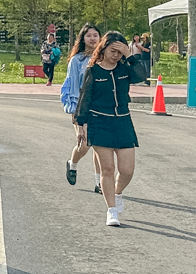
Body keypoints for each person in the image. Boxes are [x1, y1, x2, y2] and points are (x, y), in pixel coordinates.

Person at [74, 31, 153, 227]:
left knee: (127, 170)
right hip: (99, 122)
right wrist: (80, 125)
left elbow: (143, 75)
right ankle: (111, 211)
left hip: (123, 122)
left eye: (120, 51)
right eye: (112, 50)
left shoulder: (125, 69)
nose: (116, 55)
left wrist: (130, 55)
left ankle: (117, 193)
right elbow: (85, 98)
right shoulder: (93, 71)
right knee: (107, 169)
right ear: (103, 48)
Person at [58, 24, 105, 194]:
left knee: (100, 147)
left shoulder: (104, 58)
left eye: (95, 35)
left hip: (100, 108)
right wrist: (75, 114)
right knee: (84, 145)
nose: (92, 38)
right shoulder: (76, 61)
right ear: (83, 39)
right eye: (89, 35)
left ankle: (100, 183)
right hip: (80, 107)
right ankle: (72, 163)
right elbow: (71, 87)